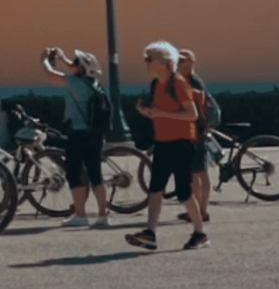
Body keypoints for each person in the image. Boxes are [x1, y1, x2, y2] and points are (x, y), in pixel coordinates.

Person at [126, 40, 208, 251]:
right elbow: (162, 113)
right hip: (163, 142)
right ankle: (150, 233)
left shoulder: (178, 83)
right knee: (156, 189)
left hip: (182, 143)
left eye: (149, 59)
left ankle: (200, 233)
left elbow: (192, 114)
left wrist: (161, 113)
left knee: (183, 192)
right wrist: (148, 112)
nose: (146, 63)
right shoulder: (157, 85)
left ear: (162, 62)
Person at [42, 46, 112, 228]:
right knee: (96, 174)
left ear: (81, 68)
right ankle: (103, 215)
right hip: (95, 134)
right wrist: (63, 58)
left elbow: (51, 75)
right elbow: (76, 69)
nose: (72, 65)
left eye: (76, 63)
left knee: (74, 173)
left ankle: (81, 214)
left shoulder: (74, 82)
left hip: (78, 134)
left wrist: (43, 60)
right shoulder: (94, 84)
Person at [177, 49, 213, 224]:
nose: (176, 65)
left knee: (197, 173)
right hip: (198, 130)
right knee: (197, 173)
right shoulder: (193, 81)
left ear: (190, 63)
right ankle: (199, 210)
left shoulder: (193, 82)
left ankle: (201, 212)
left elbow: (193, 110)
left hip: (195, 131)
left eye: (180, 61)